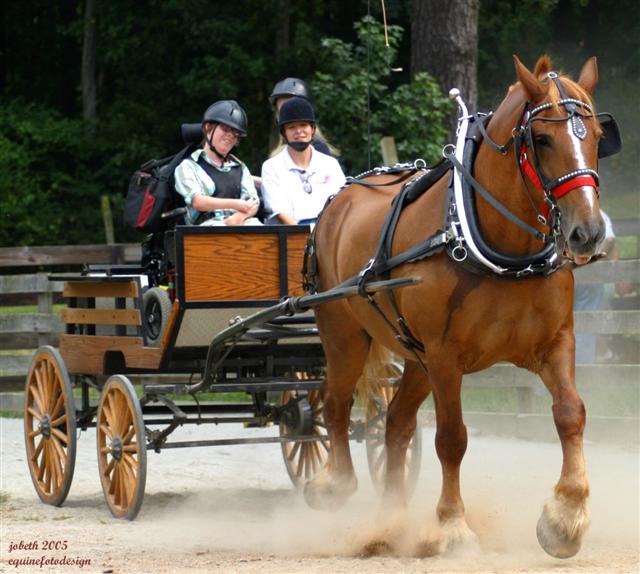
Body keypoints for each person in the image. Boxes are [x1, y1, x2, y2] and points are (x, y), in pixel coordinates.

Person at [174, 100, 261, 226]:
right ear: (208, 127)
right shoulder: (188, 166)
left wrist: (239, 217)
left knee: (265, 234)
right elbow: (198, 202)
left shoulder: (240, 168)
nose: (230, 135)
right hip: (205, 229)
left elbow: (253, 202)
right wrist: (236, 204)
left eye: (236, 133)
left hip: (242, 222)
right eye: (226, 128)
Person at [261, 97, 346, 225]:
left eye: (303, 125)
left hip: (328, 233)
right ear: (284, 133)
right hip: (290, 236)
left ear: (312, 129)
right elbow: (281, 214)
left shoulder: (330, 164)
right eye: (292, 127)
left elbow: (342, 204)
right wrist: (307, 239)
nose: (299, 131)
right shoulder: (271, 167)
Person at [268, 77, 338, 158]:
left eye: (293, 109)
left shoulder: (317, 149)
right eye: (281, 111)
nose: (286, 115)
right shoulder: (284, 147)